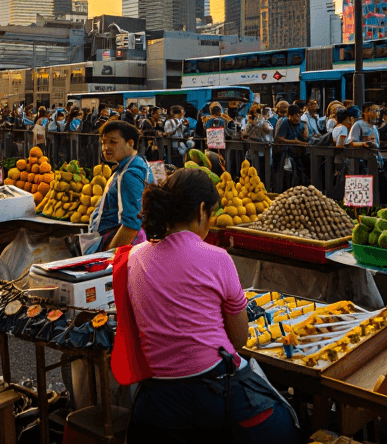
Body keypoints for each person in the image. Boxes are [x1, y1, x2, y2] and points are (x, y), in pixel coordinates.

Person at [121, 168, 298, 442]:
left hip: (155, 398)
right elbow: (239, 338)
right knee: (288, 426)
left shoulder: (134, 257)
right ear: (202, 210)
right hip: (212, 393)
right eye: (212, 212)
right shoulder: (217, 258)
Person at [92, 120, 150, 251]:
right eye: (103, 142)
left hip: (125, 246)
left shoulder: (129, 174)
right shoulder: (137, 163)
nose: (106, 147)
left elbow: (131, 225)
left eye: (113, 142)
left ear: (130, 143)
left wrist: (110, 255)